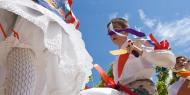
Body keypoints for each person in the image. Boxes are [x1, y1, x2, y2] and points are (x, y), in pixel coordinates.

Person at [81, 17, 176, 95]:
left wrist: (140, 51)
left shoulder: (139, 42)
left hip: (141, 88)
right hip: (121, 91)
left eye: (116, 30)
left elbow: (169, 60)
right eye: (110, 32)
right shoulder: (116, 60)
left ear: (126, 32)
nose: (112, 34)